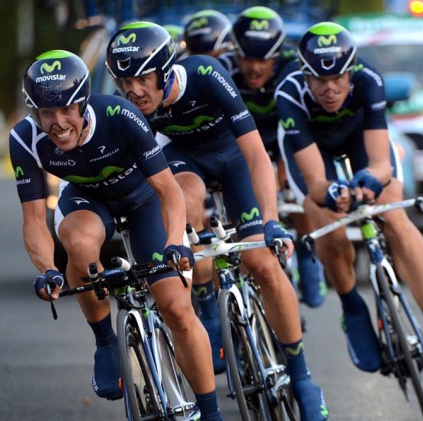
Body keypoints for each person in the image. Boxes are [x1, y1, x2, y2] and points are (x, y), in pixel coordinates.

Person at [106, 22, 329, 420]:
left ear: (164, 69)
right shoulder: (132, 111)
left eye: (142, 78)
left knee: (262, 262)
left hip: (232, 159)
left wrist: (272, 220)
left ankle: (302, 375)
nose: (133, 91)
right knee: (184, 193)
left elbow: (258, 156)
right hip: (184, 162)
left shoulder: (206, 76)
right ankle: (207, 301)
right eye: (124, 81)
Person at [10, 50, 223, 419]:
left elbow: (169, 191)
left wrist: (175, 240)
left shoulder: (119, 115)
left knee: (176, 308)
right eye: (47, 113)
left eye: (66, 110)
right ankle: (106, 341)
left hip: (142, 200)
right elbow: (32, 220)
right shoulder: (25, 138)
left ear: (83, 103)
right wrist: (47, 269)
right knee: (75, 243)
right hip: (87, 201)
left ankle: (212, 412)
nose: (58, 123)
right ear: (35, 113)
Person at [275, 22, 423, 385]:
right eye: (319, 79)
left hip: (359, 139)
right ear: (305, 75)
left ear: (352, 72)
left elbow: (381, 162)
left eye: (338, 78)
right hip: (313, 147)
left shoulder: (369, 79)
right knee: (328, 227)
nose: (330, 88)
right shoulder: (289, 94)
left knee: (393, 215)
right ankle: (353, 309)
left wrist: (370, 179)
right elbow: (316, 183)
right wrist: (332, 193)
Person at [219, 5, 326, 308]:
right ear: (235, 53)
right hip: (244, 141)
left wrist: (283, 171)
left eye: (264, 58)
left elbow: (299, 125)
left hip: (285, 135)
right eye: (247, 58)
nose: (254, 68)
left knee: (294, 187)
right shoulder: (224, 68)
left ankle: (307, 251)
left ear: (278, 54)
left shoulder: (292, 67)